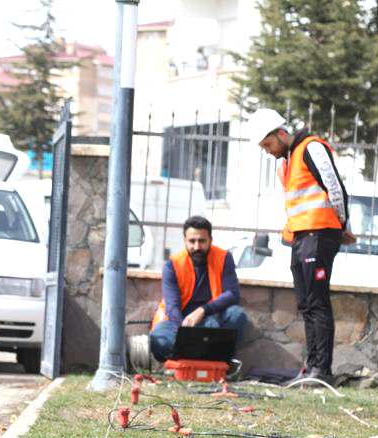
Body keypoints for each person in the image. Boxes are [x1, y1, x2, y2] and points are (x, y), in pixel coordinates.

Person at [247, 108, 356, 381]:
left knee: (317, 302)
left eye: (268, 144)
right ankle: (312, 367)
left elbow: (334, 187)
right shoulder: (286, 163)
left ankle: (322, 370)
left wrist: (342, 226)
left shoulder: (311, 148)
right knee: (306, 303)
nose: (268, 151)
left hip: (320, 236)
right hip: (301, 238)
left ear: (281, 134)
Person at [149, 215, 246, 361]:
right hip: (178, 322)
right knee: (160, 341)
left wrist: (203, 310)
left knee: (236, 314)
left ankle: (218, 361)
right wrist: (185, 334)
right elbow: (172, 306)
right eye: (192, 241)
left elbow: (232, 294)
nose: (197, 247)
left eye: (202, 241)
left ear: (210, 240)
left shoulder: (224, 257)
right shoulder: (173, 264)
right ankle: (194, 358)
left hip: (211, 318)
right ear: (185, 241)